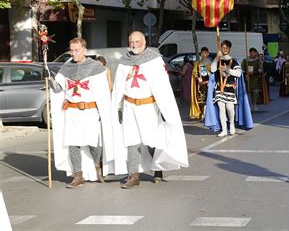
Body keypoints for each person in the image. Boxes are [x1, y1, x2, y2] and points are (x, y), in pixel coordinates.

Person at [112, 31, 188, 188]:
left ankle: (158, 168)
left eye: (137, 42)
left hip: (148, 107)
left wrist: (166, 109)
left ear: (144, 42)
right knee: (131, 141)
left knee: (151, 140)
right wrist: (117, 107)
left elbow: (162, 86)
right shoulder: (124, 61)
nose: (134, 45)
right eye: (131, 41)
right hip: (129, 106)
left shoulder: (154, 60)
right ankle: (134, 176)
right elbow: (118, 85)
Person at [50, 37, 114, 188]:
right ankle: (78, 176)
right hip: (72, 112)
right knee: (73, 144)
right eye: (71, 50)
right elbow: (58, 89)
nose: (73, 53)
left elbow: (102, 93)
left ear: (84, 50)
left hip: (90, 111)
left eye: (76, 50)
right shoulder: (66, 67)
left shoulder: (96, 67)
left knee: (93, 143)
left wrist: (103, 111)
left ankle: (98, 168)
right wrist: (50, 79)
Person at [204, 40, 253, 137]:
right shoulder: (218, 60)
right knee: (221, 109)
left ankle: (231, 124)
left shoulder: (234, 61)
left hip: (230, 89)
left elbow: (238, 74)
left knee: (229, 108)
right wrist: (216, 59)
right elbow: (213, 69)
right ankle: (224, 130)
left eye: (226, 47)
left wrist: (227, 70)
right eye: (223, 47)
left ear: (229, 48)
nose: (224, 49)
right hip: (219, 89)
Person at [190, 47, 212, 120]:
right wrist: (197, 77)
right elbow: (195, 72)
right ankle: (201, 114)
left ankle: (207, 115)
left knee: (207, 99)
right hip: (200, 84)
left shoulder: (210, 63)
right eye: (202, 53)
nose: (204, 54)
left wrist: (210, 80)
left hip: (208, 83)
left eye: (205, 53)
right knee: (200, 100)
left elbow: (213, 73)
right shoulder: (198, 63)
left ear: (208, 54)